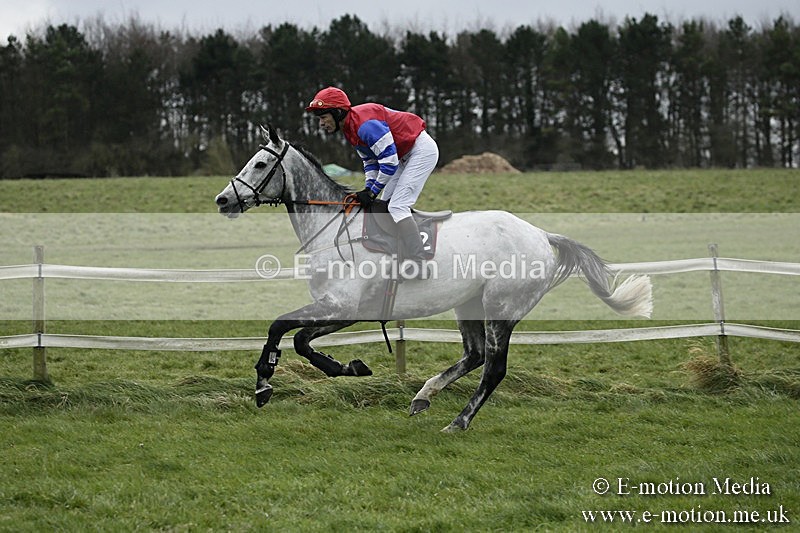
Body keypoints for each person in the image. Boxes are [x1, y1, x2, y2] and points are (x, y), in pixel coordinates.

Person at [306, 86, 439, 279]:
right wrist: (368, 188)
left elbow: (389, 162)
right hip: (402, 156)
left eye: (323, 117)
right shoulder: (350, 129)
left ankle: (419, 264)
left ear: (337, 112)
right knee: (384, 206)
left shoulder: (365, 126)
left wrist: (372, 191)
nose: (321, 124)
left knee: (397, 207)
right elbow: (370, 163)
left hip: (420, 151)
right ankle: (398, 255)